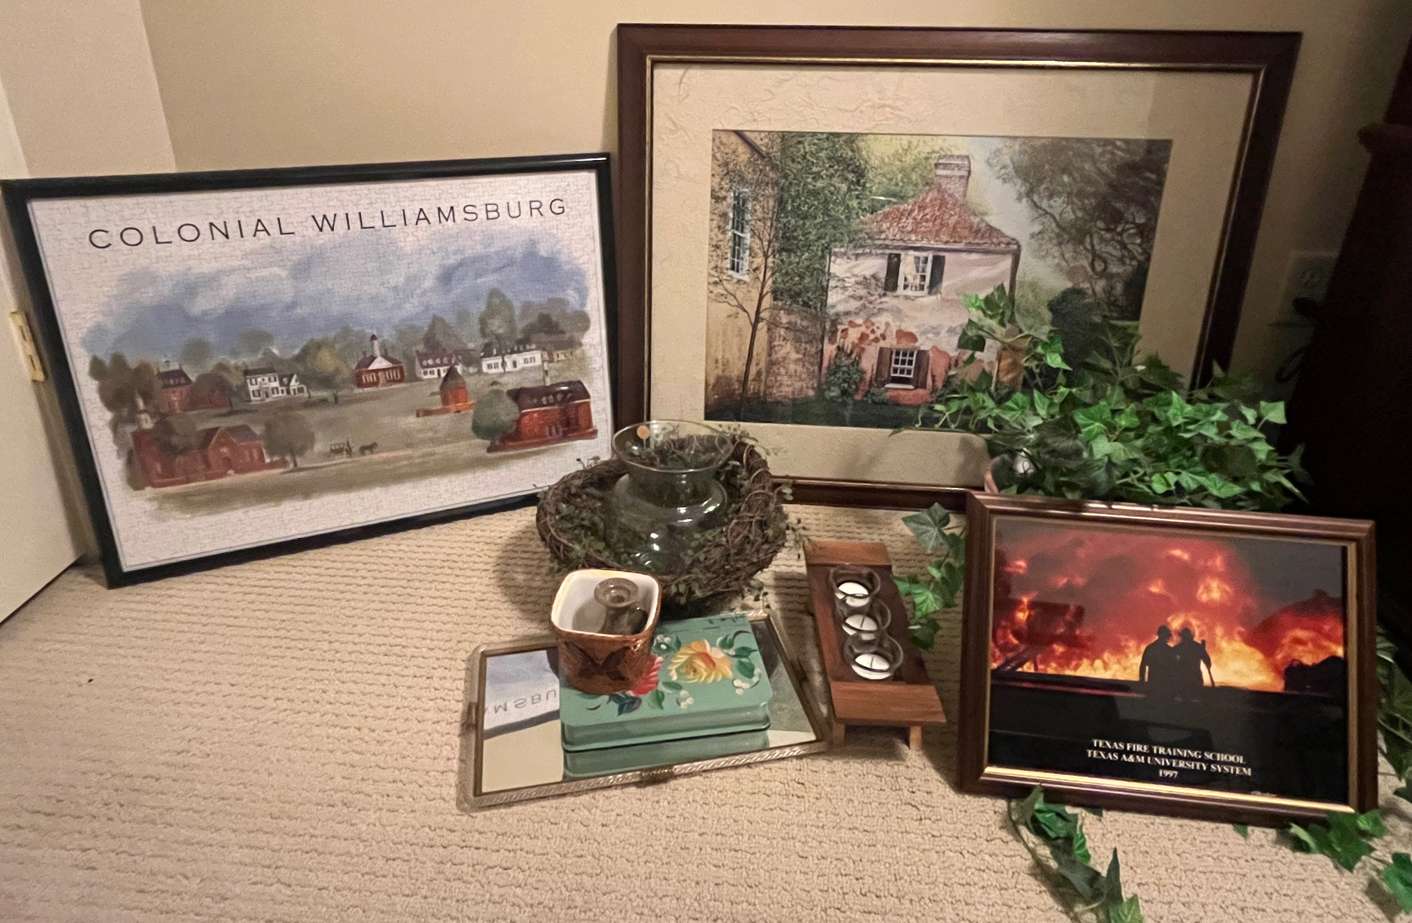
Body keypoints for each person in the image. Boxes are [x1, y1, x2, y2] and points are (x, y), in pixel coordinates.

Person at [1172, 627, 1213, 697]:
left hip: (1183, 678)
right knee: (1195, 698)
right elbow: (1207, 661)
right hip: (1195, 678)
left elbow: (1171, 660)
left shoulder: (1178, 647)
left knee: (1183, 698)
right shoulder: (1198, 647)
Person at [1138, 625, 1175, 696]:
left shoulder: (1150, 648)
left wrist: (1142, 681)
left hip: (1153, 683)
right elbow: (1173, 669)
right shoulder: (1169, 650)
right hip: (1165, 685)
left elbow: (1143, 666)